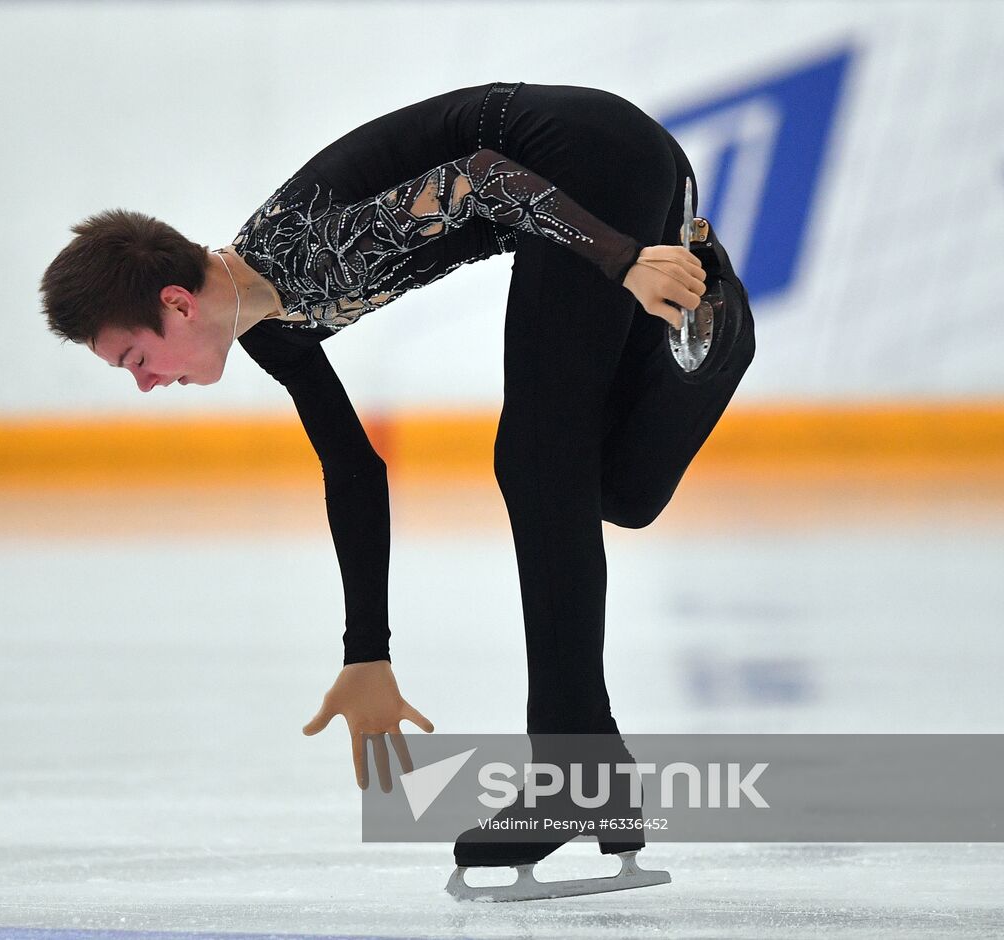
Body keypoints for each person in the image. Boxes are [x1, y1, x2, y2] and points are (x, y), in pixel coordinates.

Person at [39, 81, 756, 891]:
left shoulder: (305, 248)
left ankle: (571, 778)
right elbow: (353, 470)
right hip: (593, 170)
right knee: (616, 489)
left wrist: (622, 259)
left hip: (581, 157)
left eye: (136, 361)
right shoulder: (274, 325)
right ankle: (714, 320)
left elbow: (482, 180)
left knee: (535, 458)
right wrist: (366, 654)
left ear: (175, 305)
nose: (144, 386)